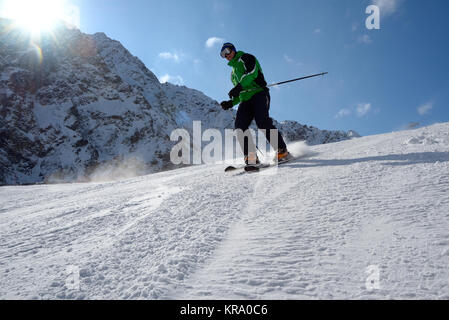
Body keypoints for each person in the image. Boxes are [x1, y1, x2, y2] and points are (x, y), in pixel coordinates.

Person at [219, 42, 290, 165]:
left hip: (259, 94)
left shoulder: (246, 57)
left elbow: (252, 73)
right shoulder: (232, 74)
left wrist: (239, 86)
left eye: (227, 51)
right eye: (223, 54)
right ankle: (251, 157)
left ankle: (282, 151)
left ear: (233, 49)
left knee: (262, 121)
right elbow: (240, 93)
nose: (226, 55)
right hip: (246, 100)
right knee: (240, 127)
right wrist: (231, 103)